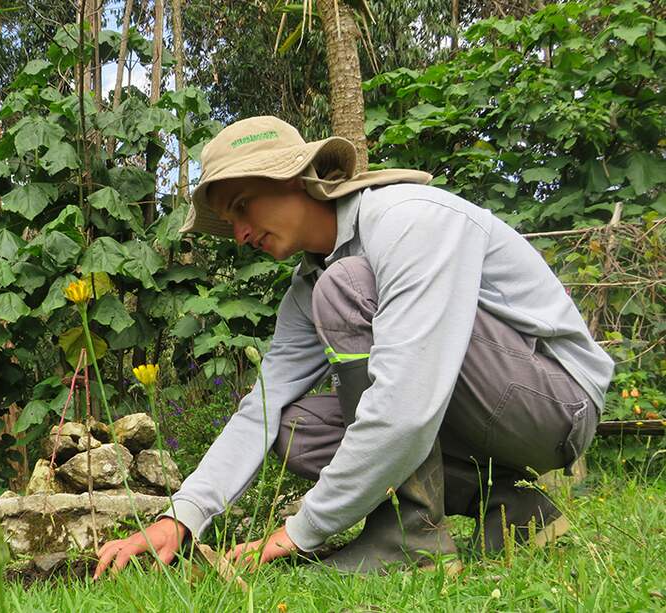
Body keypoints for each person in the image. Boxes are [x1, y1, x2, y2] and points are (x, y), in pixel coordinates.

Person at [93, 116, 614, 577]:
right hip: (476, 412)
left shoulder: (408, 220)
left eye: (243, 206)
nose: (241, 233)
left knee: (347, 288)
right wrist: (182, 515)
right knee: (297, 427)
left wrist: (301, 529)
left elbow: (406, 408)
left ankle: (409, 539)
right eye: (230, 222)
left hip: (556, 404)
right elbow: (263, 411)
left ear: (294, 177)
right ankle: (509, 507)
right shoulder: (308, 286)